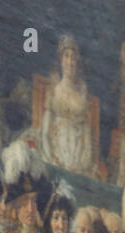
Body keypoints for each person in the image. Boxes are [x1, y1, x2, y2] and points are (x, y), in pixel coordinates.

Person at [40, 34, 94, 176]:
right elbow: (45, 133)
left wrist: (81, 167)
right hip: (56, 156)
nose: (70, 62)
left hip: (78, 163)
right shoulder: (53, 91)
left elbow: (88, 141)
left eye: (73, 57)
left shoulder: (82, 99)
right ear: (60, 60)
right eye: (66, 56)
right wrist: (52, 160)